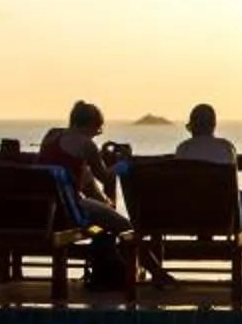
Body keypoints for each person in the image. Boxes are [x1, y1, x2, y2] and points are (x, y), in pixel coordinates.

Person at [40, 100, 169, 285]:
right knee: (125, 226)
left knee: (102, 227)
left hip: (50, 214)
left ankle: (120, 268)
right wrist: (122, 164)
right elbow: (106, 177)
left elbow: (80, 178)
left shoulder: (52, 136)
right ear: (91, 124)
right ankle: (155, 273)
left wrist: (102, 199)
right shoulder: (86, 144)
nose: (96, 135)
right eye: (97, 129)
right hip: (74, 214)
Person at [173, 103, 242, 291]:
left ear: (192, 126)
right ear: (213, 125)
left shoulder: (183, 149)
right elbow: (229, 186)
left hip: (193, 216)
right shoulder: (226, 148)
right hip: (226, 215)